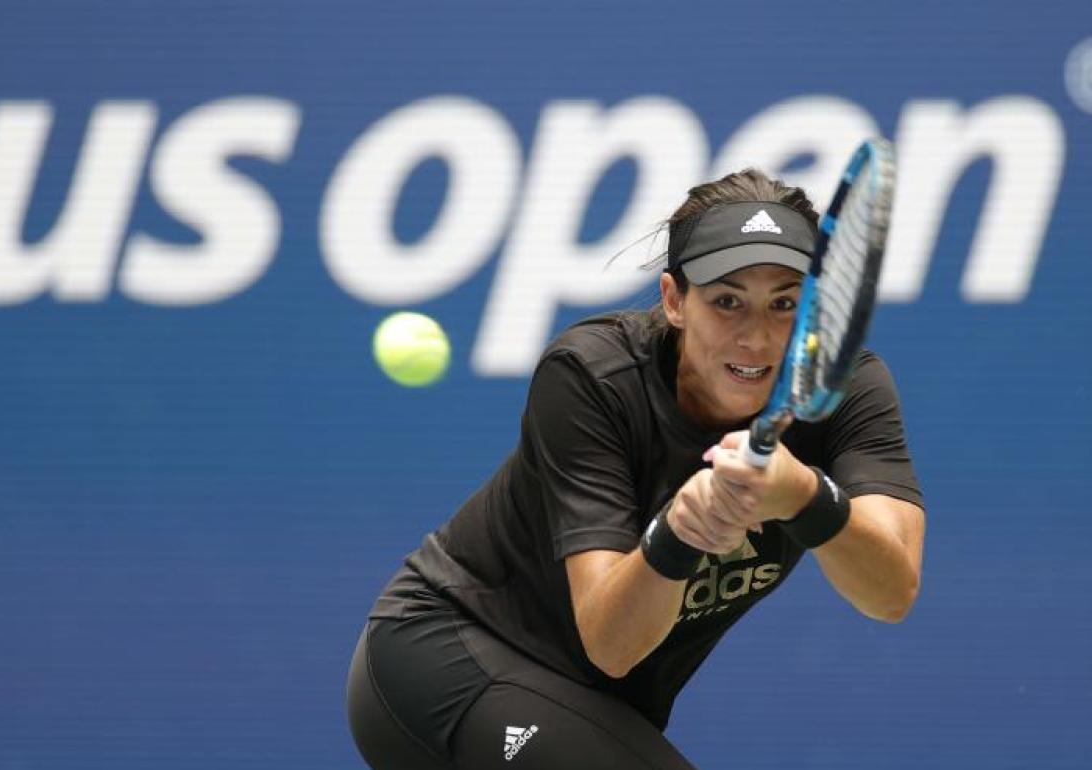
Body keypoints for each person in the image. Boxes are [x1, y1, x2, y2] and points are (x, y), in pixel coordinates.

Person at [346, 168, 925, 769]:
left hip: (595, 706)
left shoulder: (850, 390)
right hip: (449, 659)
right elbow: (610, 644)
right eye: (727, 301)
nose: (757, 337)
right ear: (675, 301)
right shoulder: (593, 377)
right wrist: (681, 532)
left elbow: (890, 592)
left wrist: (804, 497)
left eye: (786, 303)